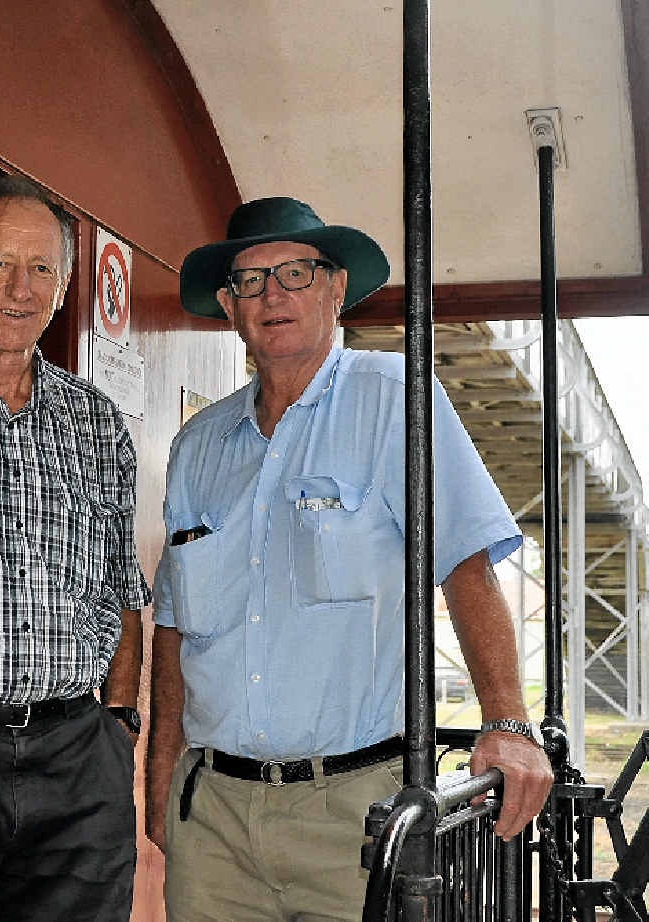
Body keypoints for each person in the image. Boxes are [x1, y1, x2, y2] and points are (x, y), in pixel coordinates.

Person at [146, 197, 554, 922]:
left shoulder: (399, 400)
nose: (272, 295)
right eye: (250, 280)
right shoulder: (196, 446)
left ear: (336, 288)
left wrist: (509, 723)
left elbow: (465, 568)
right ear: (229, 306)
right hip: (212, 822)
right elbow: (174, 630)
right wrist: (159, 778)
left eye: (296, 273)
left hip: (358, 817)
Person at [0, 175, 152, 922]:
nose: (22, 289)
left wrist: (118, 725)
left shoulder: (96, 421)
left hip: (78, 757)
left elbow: (122, 589)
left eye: (42, 268)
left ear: (64, 287)